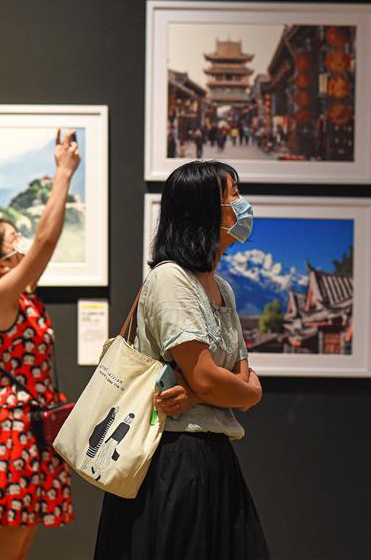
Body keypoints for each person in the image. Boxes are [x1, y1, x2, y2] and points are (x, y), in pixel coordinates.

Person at [94, 160, 269, 559]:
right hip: (171, 460)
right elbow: (217, 379)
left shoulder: (222, 288)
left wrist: (207, 391)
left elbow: (241, 382)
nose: (241, 205)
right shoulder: (170, 278)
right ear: (204, 209)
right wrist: (220, 389)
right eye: (233, 195)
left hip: (213, 458)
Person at [0, 129, 81, 560]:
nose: (22, 244)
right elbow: (44, 242)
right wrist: (63, 172)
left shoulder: (20, 296)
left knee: (20, 550)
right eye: (13, 242)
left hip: (32, 430)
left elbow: (43, 244)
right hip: (11, 435)